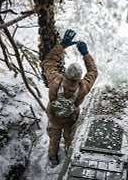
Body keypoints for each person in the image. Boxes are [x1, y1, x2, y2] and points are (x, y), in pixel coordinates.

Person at [42, 29, 98, 167]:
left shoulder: (55, 79)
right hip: (70, 119)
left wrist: (62, 45)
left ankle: (52, 157)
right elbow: (93, 71)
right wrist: (85, 53)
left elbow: (48, 62)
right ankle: (68, 153)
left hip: (54, 117)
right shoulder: (84, 86)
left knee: (53, 139)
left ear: (65, 72)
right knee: (69, 138)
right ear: (79, 77)